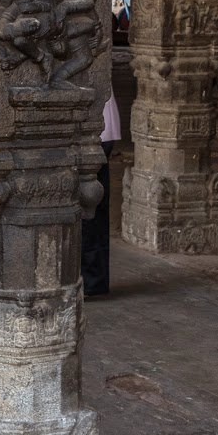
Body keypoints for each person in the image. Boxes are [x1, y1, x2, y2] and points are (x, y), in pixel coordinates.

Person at [81, 92, 120, 296]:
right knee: (92, 206)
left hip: (95, 130)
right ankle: (92, 280)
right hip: (95, 128)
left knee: (90, 206)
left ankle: (91, 280)